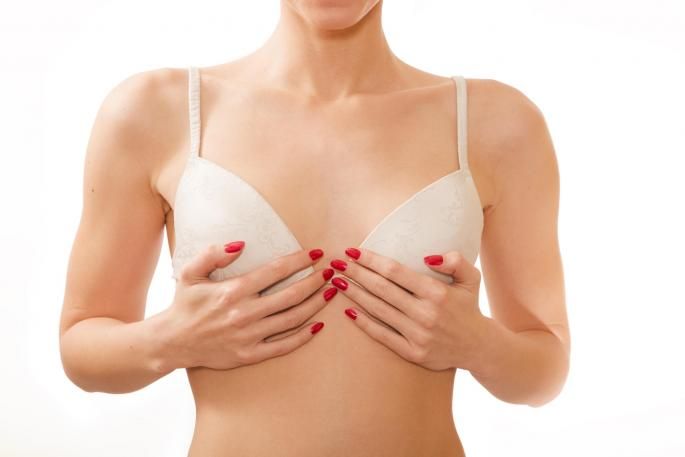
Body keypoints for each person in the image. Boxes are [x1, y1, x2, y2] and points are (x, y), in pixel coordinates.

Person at [59, 0, 570, 455]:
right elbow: (81, 347)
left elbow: (546, 367)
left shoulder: (496, 123)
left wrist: (479, 344)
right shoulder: (158, 112)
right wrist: (173, 339)